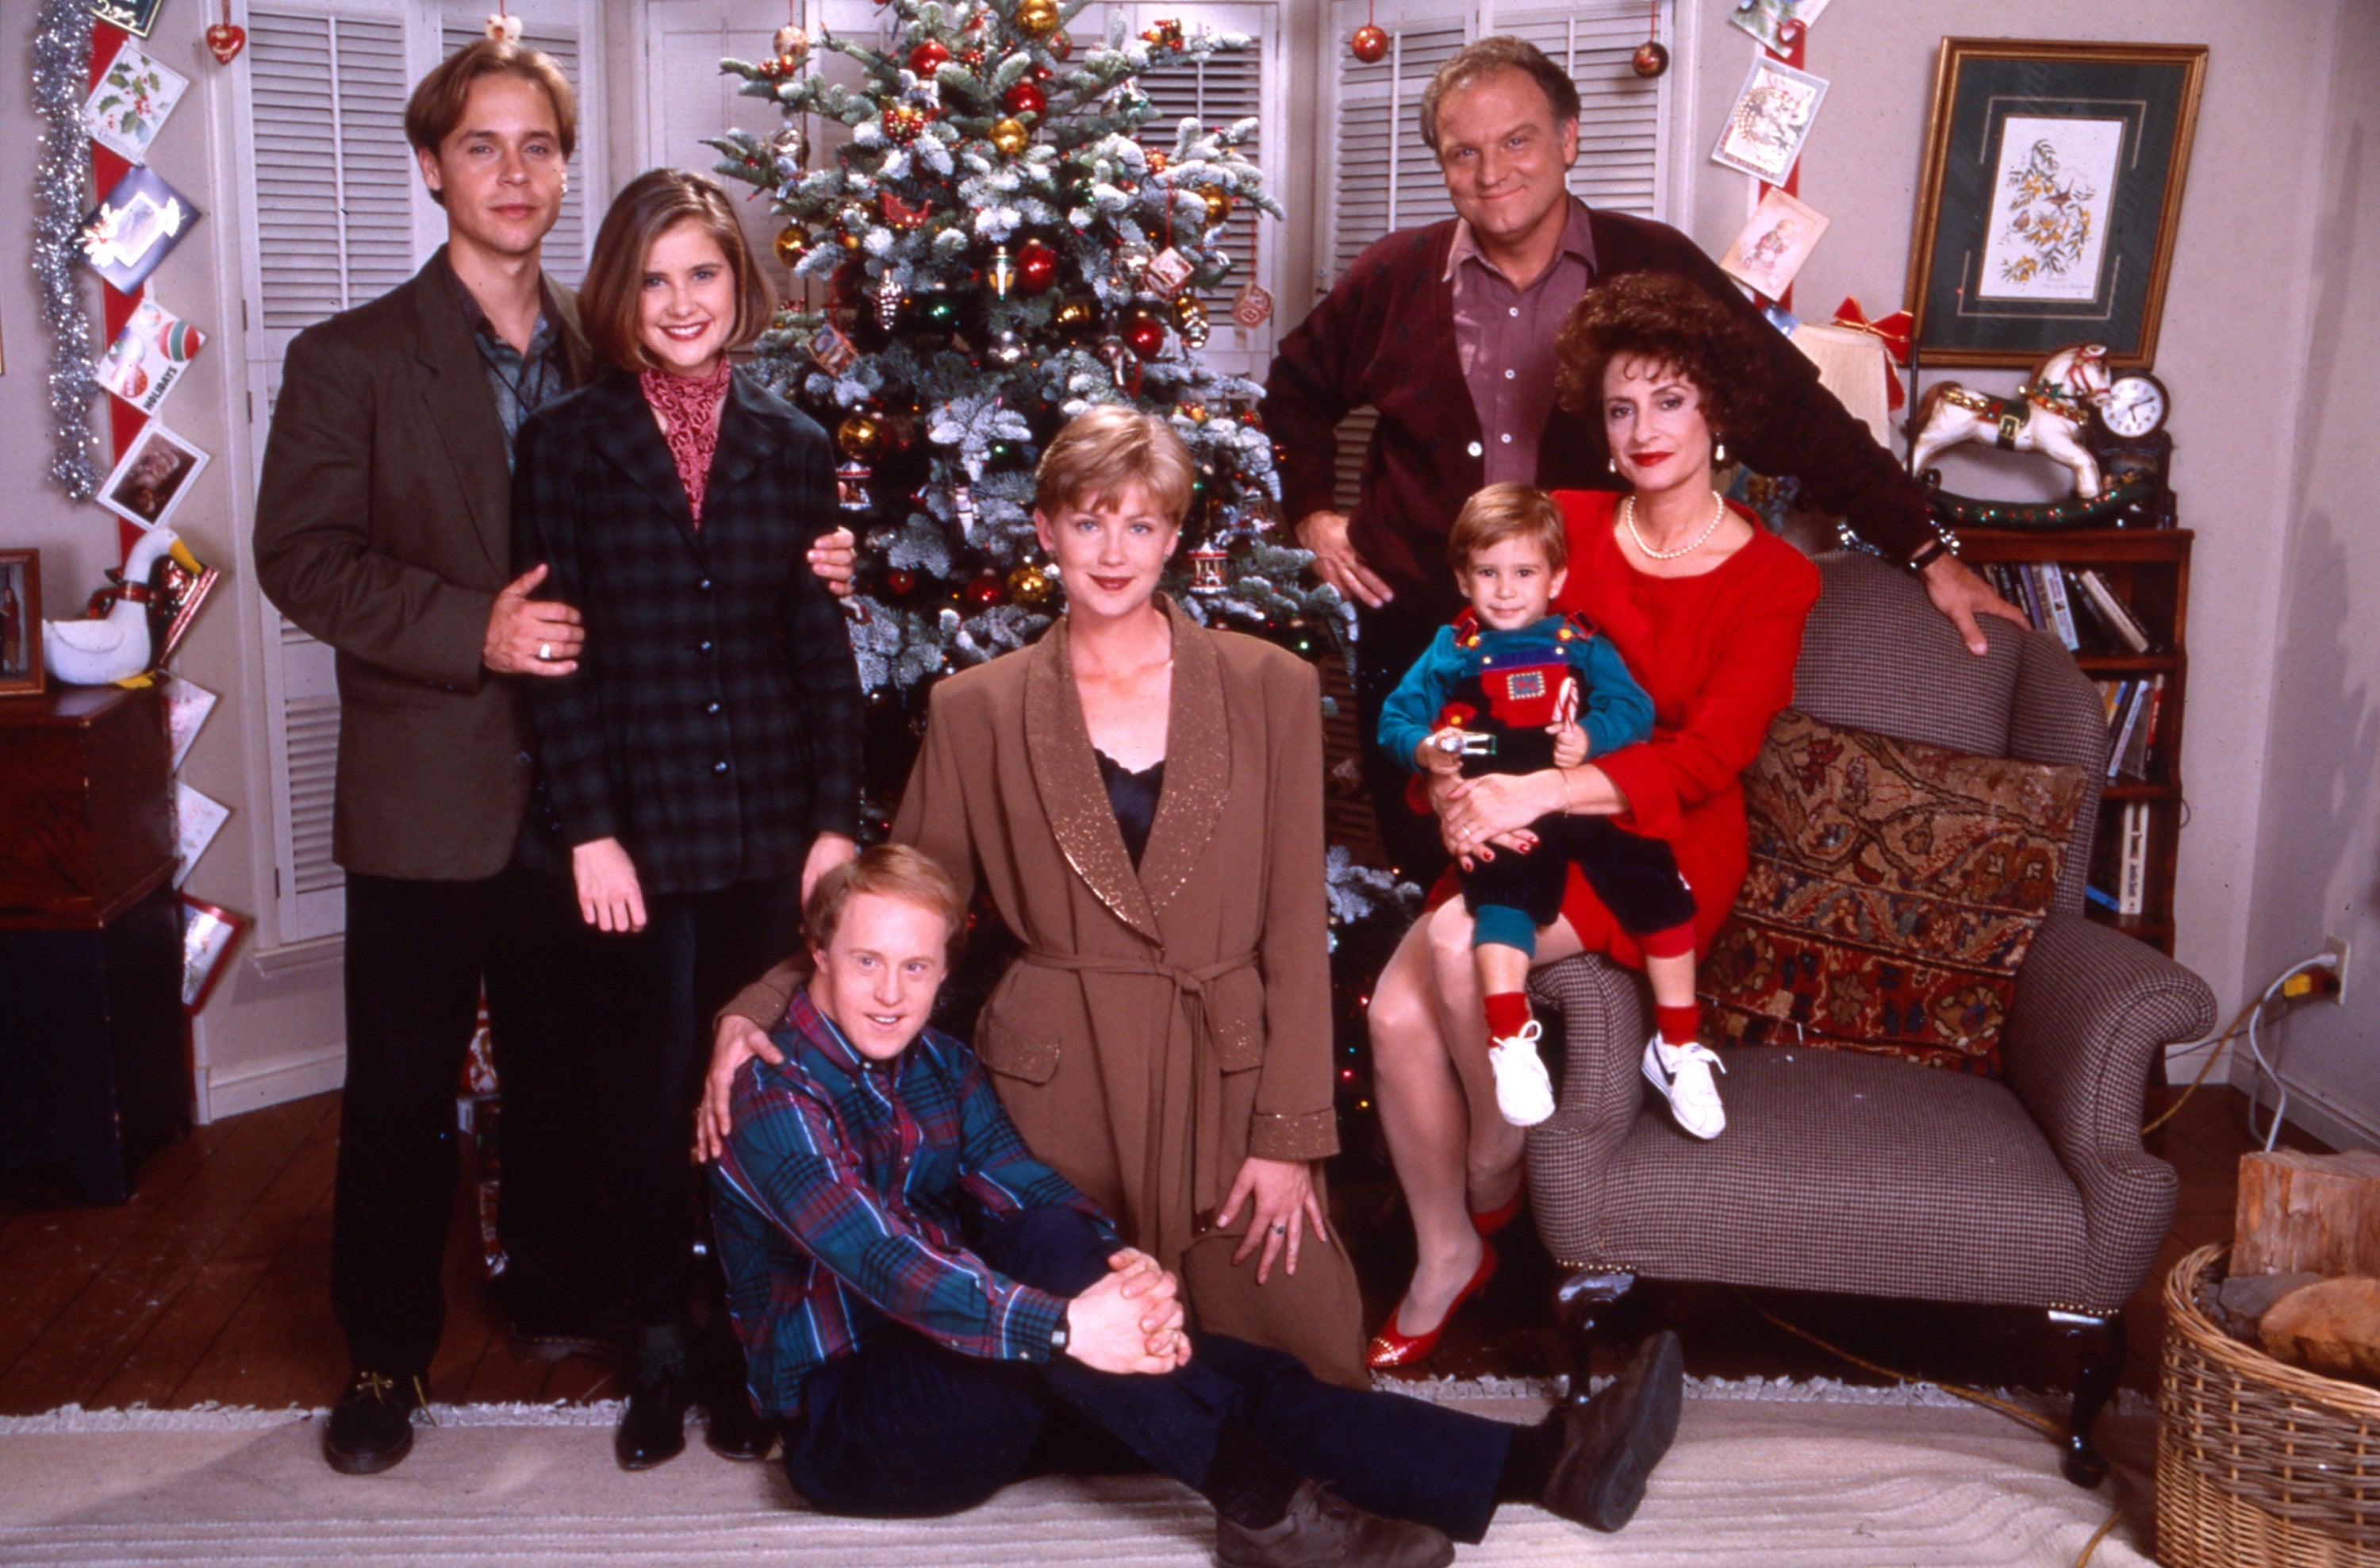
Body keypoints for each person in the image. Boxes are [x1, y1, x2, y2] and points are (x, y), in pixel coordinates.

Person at [713, 843, 1688, 1560]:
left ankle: (1548, 1463)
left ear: (942, 968)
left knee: (1234, 1373)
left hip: (976, 1367)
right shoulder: (769, 1091)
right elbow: (888, 1264)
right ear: (818, 953)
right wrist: (1070, 1322)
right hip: (856, 1428)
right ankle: (1262, 1509)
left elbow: (1028, 1187)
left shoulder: (939, 1063)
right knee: (1079, 1301)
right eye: (868, 960)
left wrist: (1119, 1267)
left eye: (917, 965)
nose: (892, 991)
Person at [704, 408, 1369, 1387]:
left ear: (1174, 538)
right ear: (1045, 530)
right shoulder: (979, 707)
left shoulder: (1270, 685)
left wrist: (1290, 1135)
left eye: (1140, 524)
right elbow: (904, 901)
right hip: (1056, 1088)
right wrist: (759, 1004)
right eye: (1089, 522)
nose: (1113, 553)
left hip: (1224, 1074)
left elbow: (1295, 927)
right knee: (1072, 1377)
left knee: (1303, 1360)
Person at [1261, 35, 2022, 879]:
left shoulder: (1655, 263)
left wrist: (1926, 549)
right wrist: (1315, 514)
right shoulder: (1393, 275)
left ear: (1569, 139)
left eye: (1517, 140)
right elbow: (1292, 390)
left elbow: (1797, 415)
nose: (1491, 172)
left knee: (1576, 869)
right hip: (1421, 625)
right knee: (1429, 860)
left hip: (1584, 642)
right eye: (1462, 152)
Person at [253, 39, 620, 1476]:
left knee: (575, 1064)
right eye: (482, 145)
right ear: (430, 168)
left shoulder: (613, 342)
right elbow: (302, 558)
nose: (513, 173)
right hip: (426, 791)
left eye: (538, 146)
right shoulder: (347, 359)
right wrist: (477, 630)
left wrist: (804, 555)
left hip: (590, 789)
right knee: (405, 1090)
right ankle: (386, 1354)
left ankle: (566, 1295)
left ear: (564, 169)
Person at [1363, 272, 1823, 1371]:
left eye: (1670, 401)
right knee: (1392, 1016)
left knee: (1450, 947)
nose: (1643, 430)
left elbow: (1709, 757)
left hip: (1660, 827)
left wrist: (1539, 793)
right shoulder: (1560, 523)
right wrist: (1456, 786)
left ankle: (1493, 1174)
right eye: (1621, 407)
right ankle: (1447, 1250)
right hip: (1520, 801)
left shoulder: (1775, 578)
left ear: (1717, 412)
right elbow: (1461, 676)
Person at [509, 167, 864, 1470]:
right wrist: (589, 830)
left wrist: (835, 823)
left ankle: (742, 1341)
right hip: (637, 834)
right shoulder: (565, 444)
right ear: (619, 293)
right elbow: (557, 659)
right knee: (649, 1094)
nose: (680, 302)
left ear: (738, 284)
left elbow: (818, 651)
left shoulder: (794, 443)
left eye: (702, 273)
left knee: (751, 1090)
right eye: (654, 279)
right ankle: (661, 1340)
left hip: (769, 821)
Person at [1376, 484, 1703, 1139]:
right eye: (1487, 573)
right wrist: (1427, 749)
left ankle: (1679, 1044)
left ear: (1555, 578)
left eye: (1523, 573)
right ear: (1463, 578)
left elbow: (1632, 710)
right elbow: (1396, 719)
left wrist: (1593, 736)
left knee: (1656, 881)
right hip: (1502, 811)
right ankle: (1509, 1041)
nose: (1505, 591)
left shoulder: (1579, 640)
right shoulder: (1453, 647)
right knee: (1503, 896)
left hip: (1578, 795)